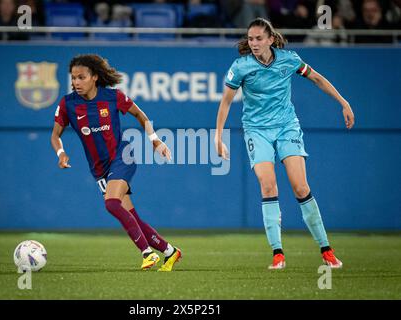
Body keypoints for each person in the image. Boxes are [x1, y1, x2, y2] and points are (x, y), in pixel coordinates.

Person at [215, 18, 355, 270]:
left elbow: (317, 79)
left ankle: (326, 250)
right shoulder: (241, 66)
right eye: (250, 38)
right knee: (268, 187)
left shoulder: (289, 59)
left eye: (259, 38)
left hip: (286, 127)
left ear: (270, 39)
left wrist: (343, 102)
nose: (254, 43)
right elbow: (226, 102)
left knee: (301, 188)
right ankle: (277, 254)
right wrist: (218, 136)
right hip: (257, 131)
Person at [51, 54, 182, 271]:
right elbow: (55, 135)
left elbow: (141, 115)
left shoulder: (112, 97)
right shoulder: (68, 104)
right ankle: (170, 251)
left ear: (94, 77)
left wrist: (154, 140)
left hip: (123, 156)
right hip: (100, 169)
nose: (75, 83)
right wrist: (61, 153)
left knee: (111, 203)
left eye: (81, 77)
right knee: (132, 217)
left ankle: (147, 253)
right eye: (73, 78)